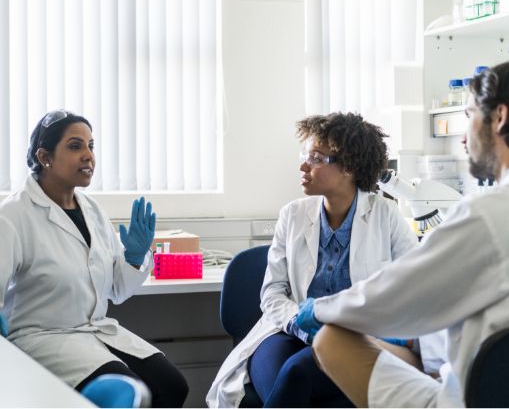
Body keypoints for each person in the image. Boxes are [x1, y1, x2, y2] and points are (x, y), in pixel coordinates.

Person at [296, 61, 509, 408]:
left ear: (499, 117)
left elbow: (401, 294)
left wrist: (320, 309)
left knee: (331, 339)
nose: (463, 137)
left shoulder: (489, 214)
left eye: (469, 114)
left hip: (469, 398)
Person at [207, 112, 444, 408]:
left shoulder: (385, 215)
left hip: (352, 337)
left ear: (349, 167)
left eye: (317, 158)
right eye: (306, 156)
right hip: (286, 331)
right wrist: (297, 320)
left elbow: (414, 287)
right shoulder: (292, 215)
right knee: (286, 377)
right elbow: (272, 293)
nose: (303, 166)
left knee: (296, 374)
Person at [0, 110, 188, 407]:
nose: (88, 155)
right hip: (42, 338)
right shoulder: (13, 216)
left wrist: (135, 257)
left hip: (96, 331)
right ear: (45, 156)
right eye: (76, 146)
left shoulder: (92, 210)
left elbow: (117, 290)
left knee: (172, 386)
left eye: (91, 145)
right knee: (134, 392)